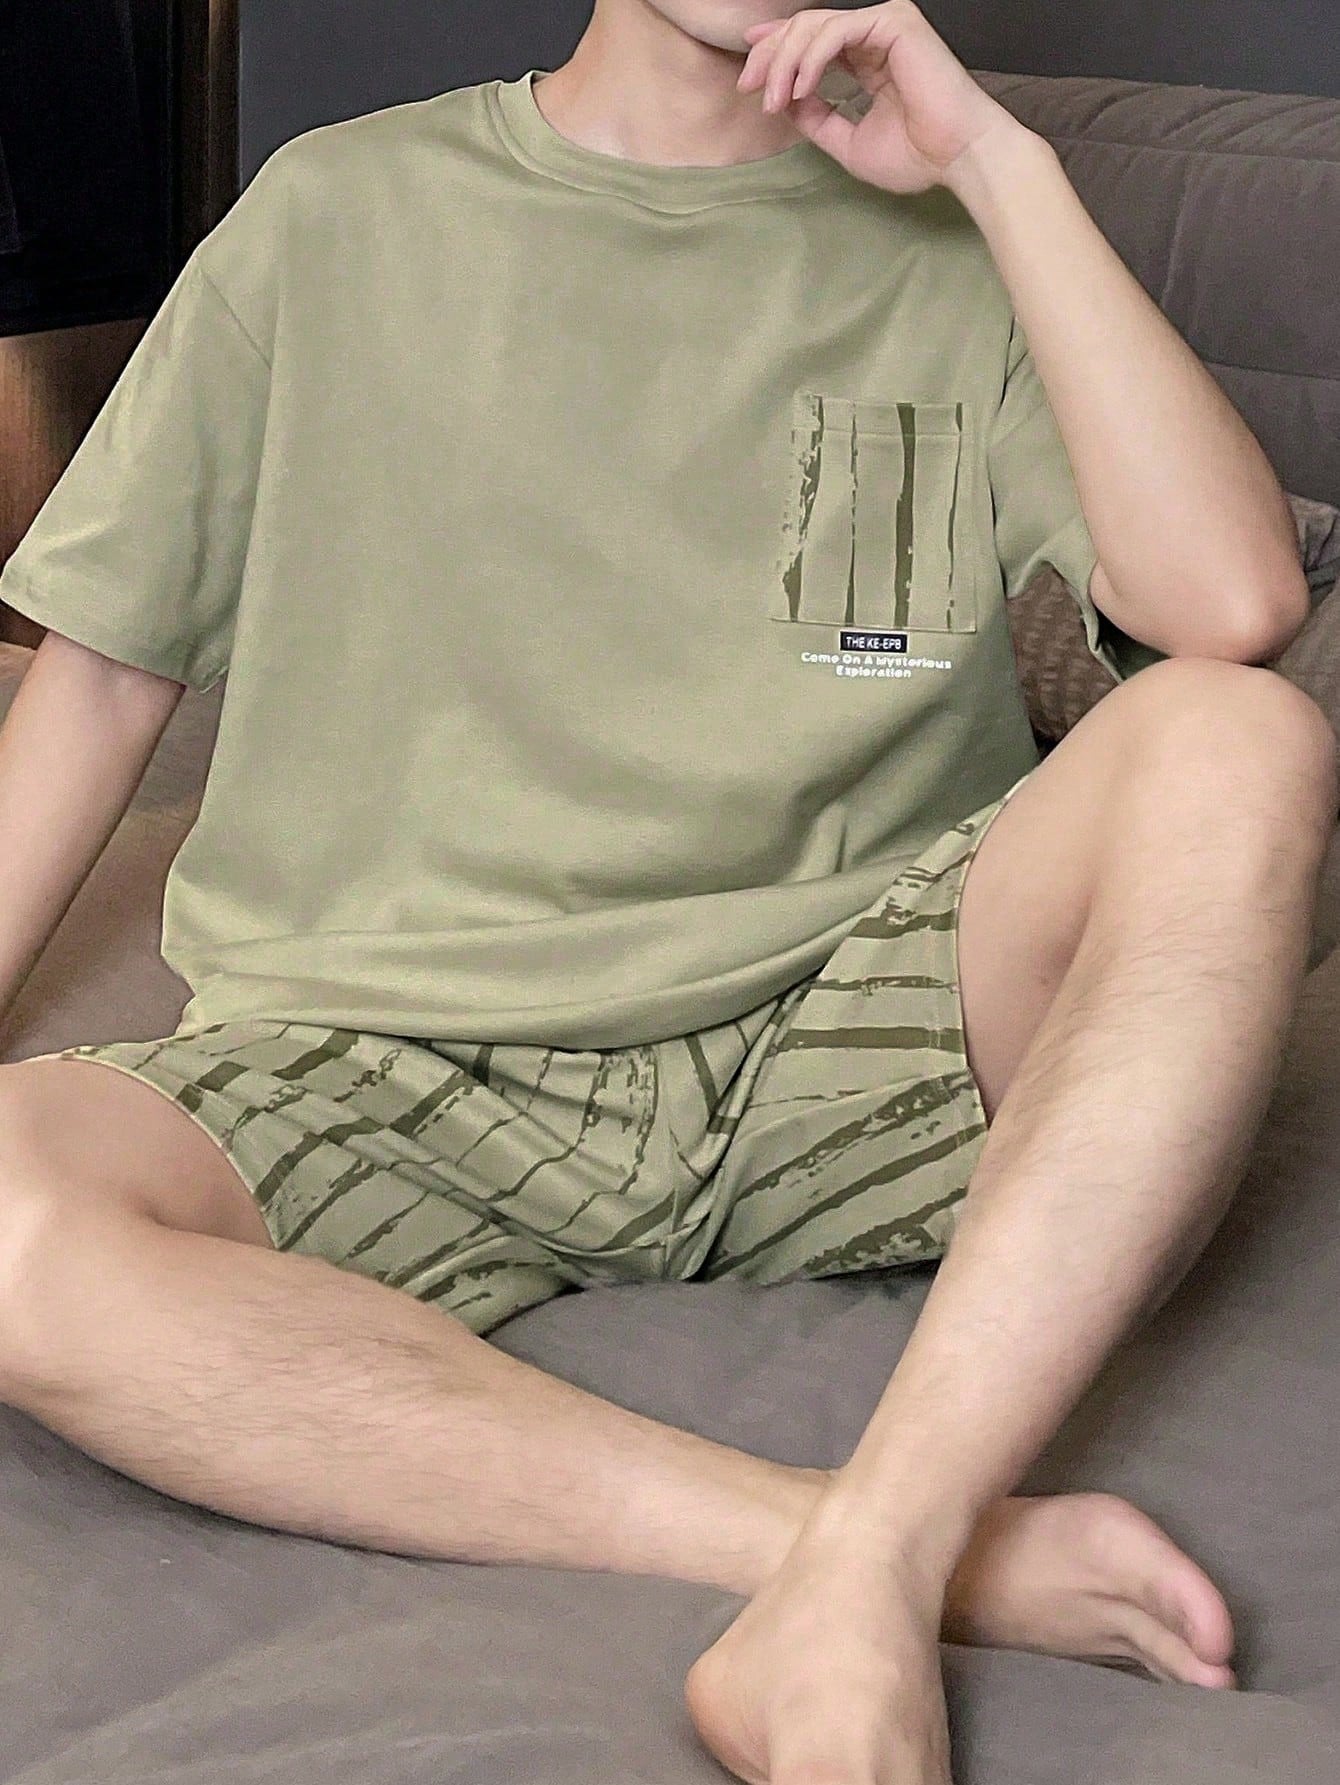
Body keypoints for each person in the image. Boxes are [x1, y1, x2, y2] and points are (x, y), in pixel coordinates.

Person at [0, 3, 1331, 1781]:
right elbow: (97, 682)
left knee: (1241, 739)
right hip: (389, 1052)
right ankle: (869, 1552)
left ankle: (886, 1540)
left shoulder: (967, 248)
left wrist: (1004, 171)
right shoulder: (336, 213)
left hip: (838, 1032)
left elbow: (1234, 607)